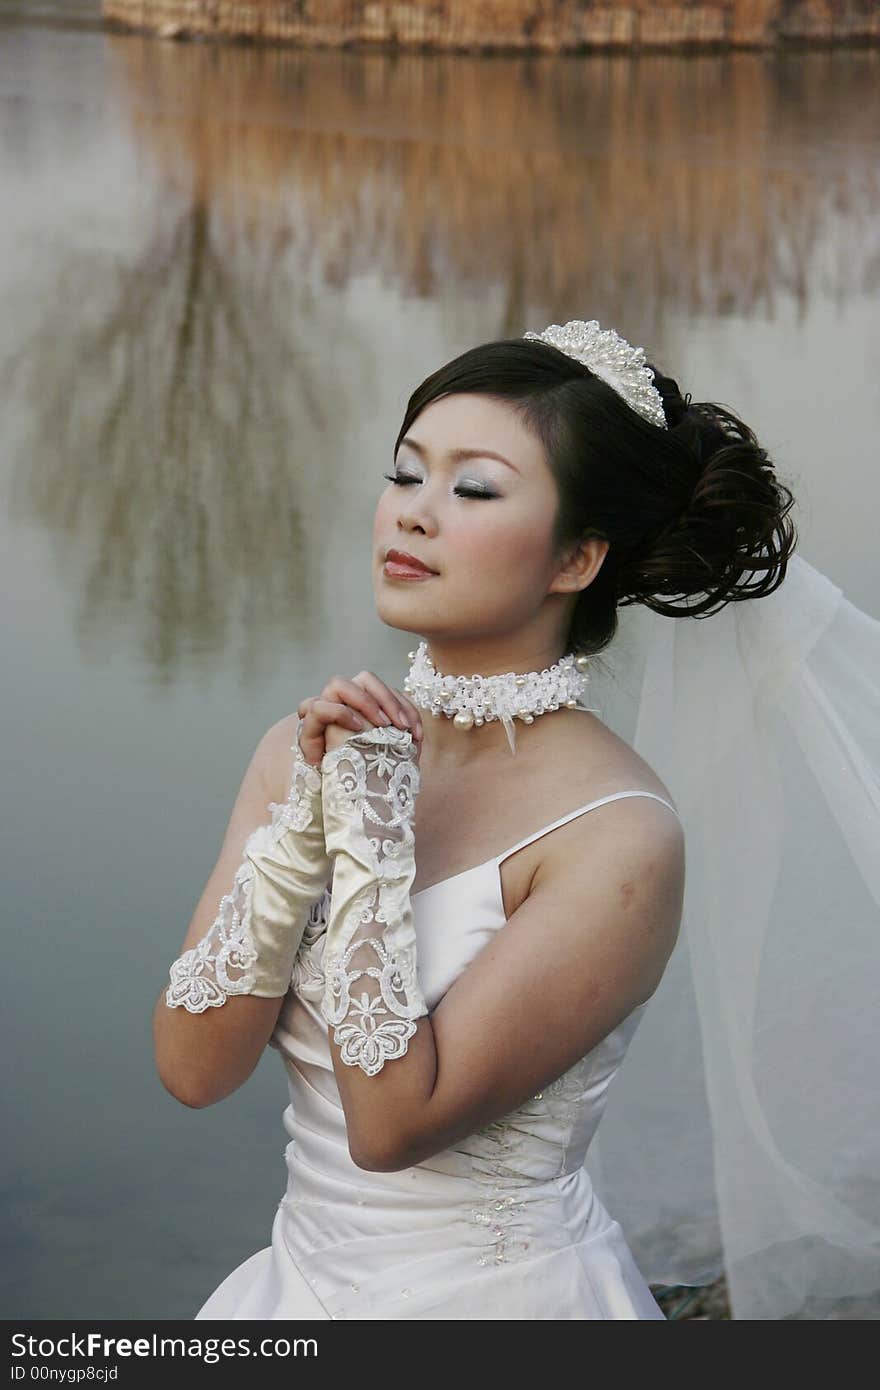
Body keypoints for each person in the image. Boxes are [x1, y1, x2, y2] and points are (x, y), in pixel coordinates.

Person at [155, 321, 874, 1320]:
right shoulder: (305, 749)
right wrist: (304, 829)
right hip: (294, 1289)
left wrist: (367, 839)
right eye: (404, 475)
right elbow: (193, 1069)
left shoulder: (617, 837)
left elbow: (393, 1125)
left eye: (474, 488)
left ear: (576, 556)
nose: (411, 516)